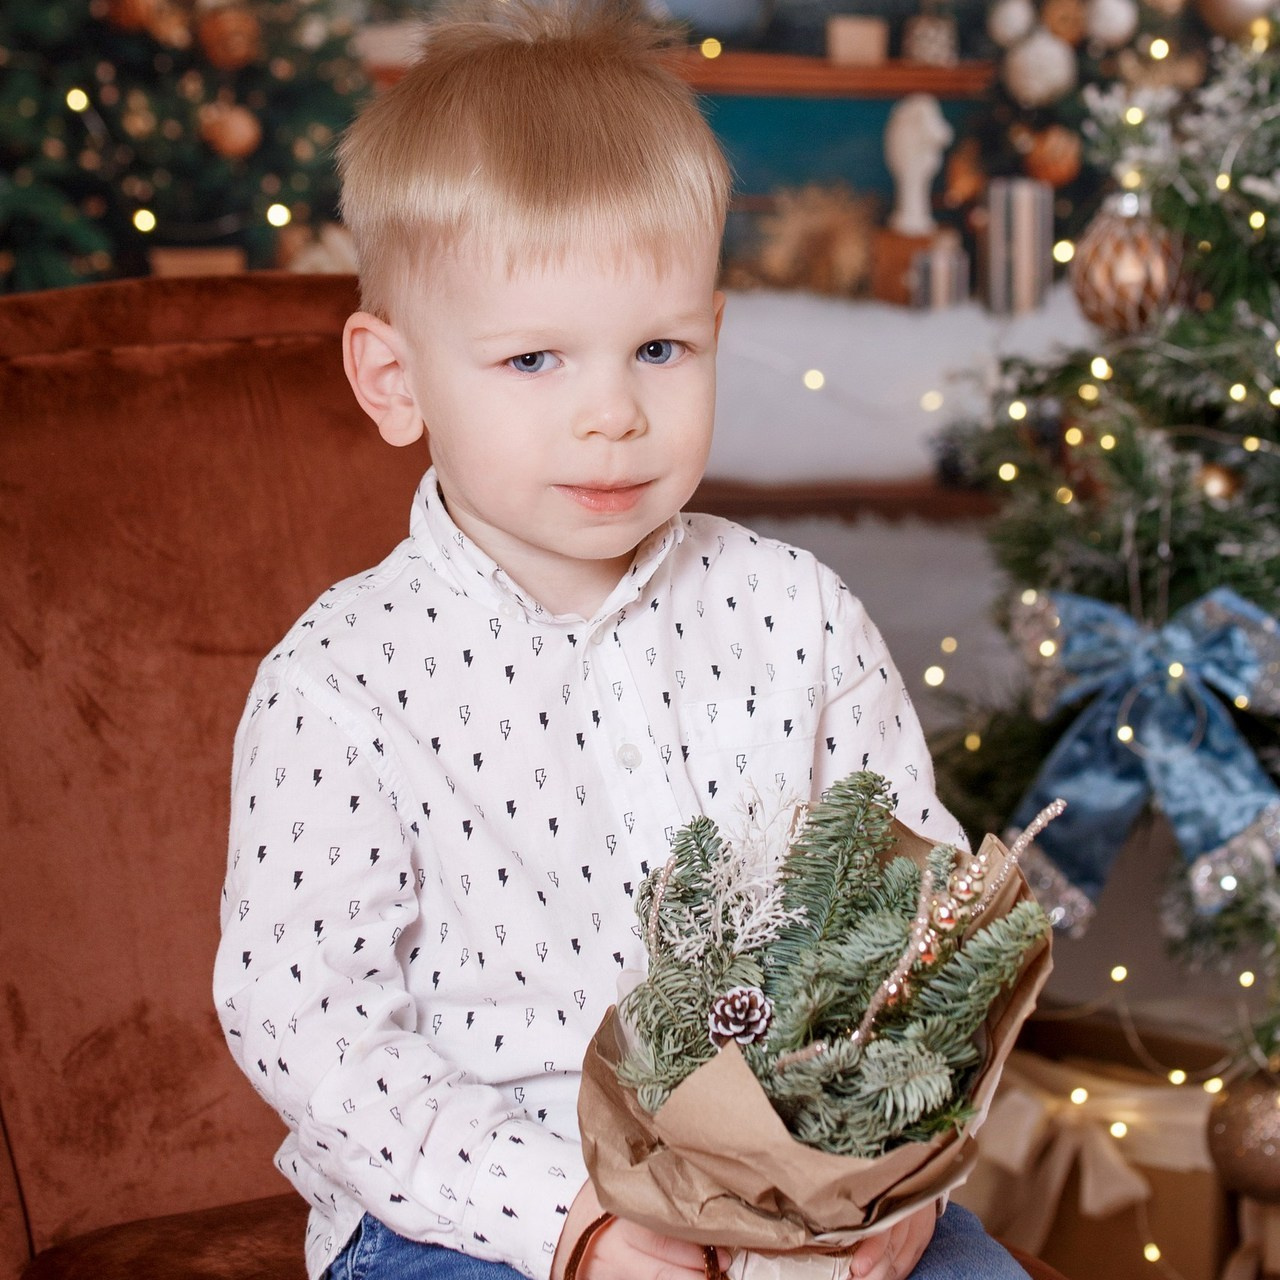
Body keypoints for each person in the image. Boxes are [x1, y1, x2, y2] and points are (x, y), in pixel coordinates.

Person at [212, 4, 1030, 1280]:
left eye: (658, 348)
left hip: (798, 1186)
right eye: (534, 358)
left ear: (712, 328)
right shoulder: (343, 680)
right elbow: (307, 1025)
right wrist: (575, 1221)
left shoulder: (796, 613)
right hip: (475, 1213)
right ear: (394, 380)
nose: (611, 414)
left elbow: (912, 938)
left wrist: (886, 1190)